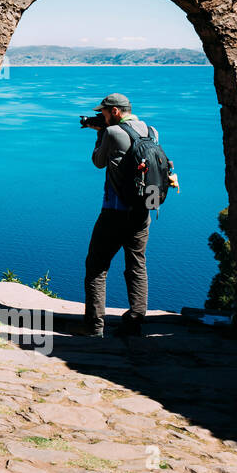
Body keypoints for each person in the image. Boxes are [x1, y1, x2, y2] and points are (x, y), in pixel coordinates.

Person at [81, 92, 158, 337]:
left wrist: (100, 134)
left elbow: (98, 162)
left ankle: (94, 326)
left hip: (114, 212)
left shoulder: (112, 132)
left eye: (104, 112)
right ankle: (134, 323)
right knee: (137, 266)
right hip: (142, 212)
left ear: (115, 111)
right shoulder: (152, 131)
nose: (102, 116)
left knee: (96, 267)